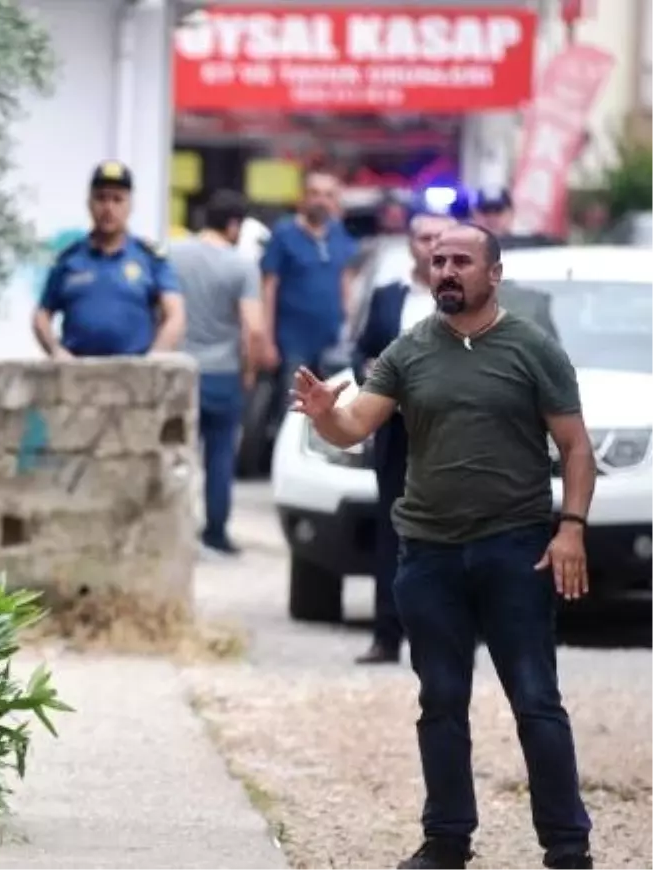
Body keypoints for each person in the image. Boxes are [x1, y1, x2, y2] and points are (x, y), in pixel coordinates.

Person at [291, 222, 595, 870]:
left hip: (516, 549)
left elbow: (576, 447)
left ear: (494, 274)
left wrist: (571, 528)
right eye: (439, 261)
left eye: (462, 260)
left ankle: (568, 847)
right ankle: (447, 842)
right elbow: (355, 425)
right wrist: (324, 413)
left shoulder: (532, 349)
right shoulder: (409, 350)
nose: (448, 271)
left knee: (536, 700)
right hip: (428, 554)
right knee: (441, 702)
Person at [349, 212, 456, 665]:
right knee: (392, 532)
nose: (430, 245)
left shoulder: (460, 299)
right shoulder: (387, 298)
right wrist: (367, 371)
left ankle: (446, 633)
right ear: (409, 244)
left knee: (449, 534)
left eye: (439, 238)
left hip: (449, 436)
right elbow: (361, 350)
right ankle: (386, 633)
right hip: (394, 431)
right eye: (423, 237)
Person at [170, 189, 267, 555]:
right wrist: (249, 370)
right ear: (233, 224)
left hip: (179, 371)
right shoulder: (241, 266)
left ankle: (173, 529)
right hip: (223, 374)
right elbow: (254, 328)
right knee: (220, 457)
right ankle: (215, 533)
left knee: (177, 456)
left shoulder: (174, 254)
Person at [33, 160, 185, 358]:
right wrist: (55, 350)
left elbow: (175, 314)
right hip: (77, 372)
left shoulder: (150, 259)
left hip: (134, 373)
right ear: (89, 203)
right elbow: (42, 315)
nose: (108, 208)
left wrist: (155, 358)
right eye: (101, 198)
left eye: (117, 199)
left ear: (130, 205)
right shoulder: (69, 259)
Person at [259, 168, 359, 424]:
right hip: (292, 342)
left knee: (331, 409)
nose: (321, 200)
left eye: (328, 195)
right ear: (302, 198)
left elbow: (346, 282)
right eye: (314, 193)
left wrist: (351, 328)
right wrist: (266, 341)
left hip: (332, 342)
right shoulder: (284, 234)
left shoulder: (340, 235)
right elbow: (268, 288)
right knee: (292, 410)